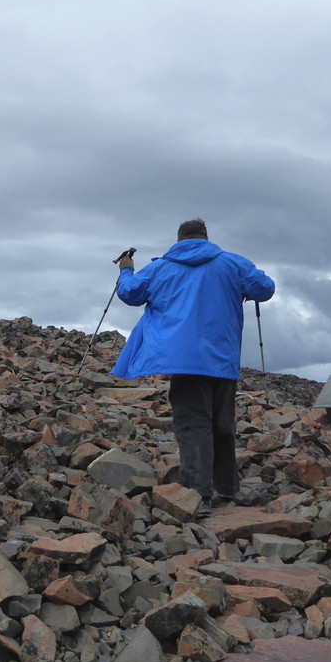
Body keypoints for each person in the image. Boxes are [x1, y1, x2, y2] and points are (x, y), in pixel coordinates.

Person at [111, 219, 275, 512]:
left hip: (183, 361)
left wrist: (125, 269)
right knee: (223, 425)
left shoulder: (161, 267)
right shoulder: (232, 264)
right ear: (206, 237)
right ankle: (227, 488)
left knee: (193, 424)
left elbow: (130, 293)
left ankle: (198, 494)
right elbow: (265, 287)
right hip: (222, 359)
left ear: (179, 239)